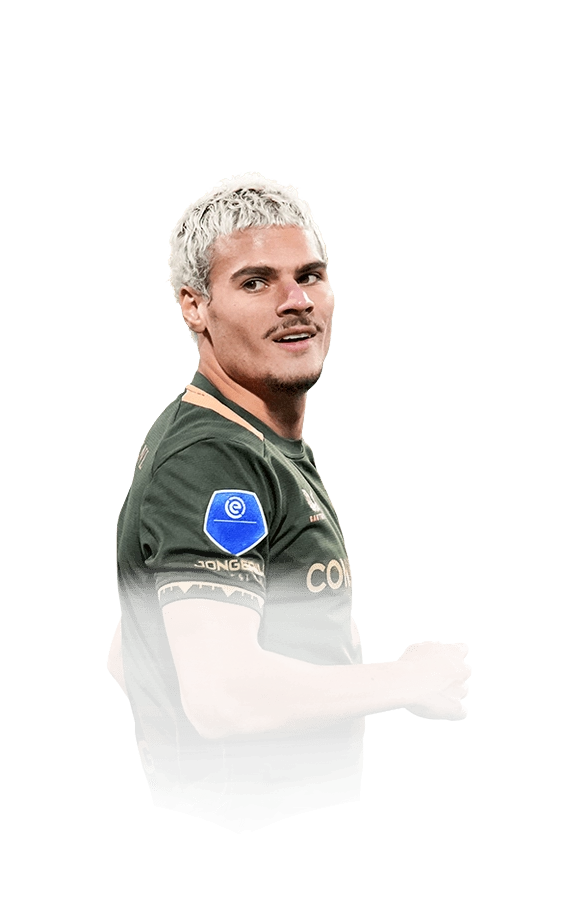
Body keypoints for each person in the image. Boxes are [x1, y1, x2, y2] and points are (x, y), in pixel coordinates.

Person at [107, 173, 471, 832]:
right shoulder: (213, 460)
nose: (295, 301)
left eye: (309, 275)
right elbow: (221, 695)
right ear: (194, 307)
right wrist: (408, 679)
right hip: (246, 841)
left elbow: (128, 648)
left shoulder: (256, 442)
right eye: (255, 282)